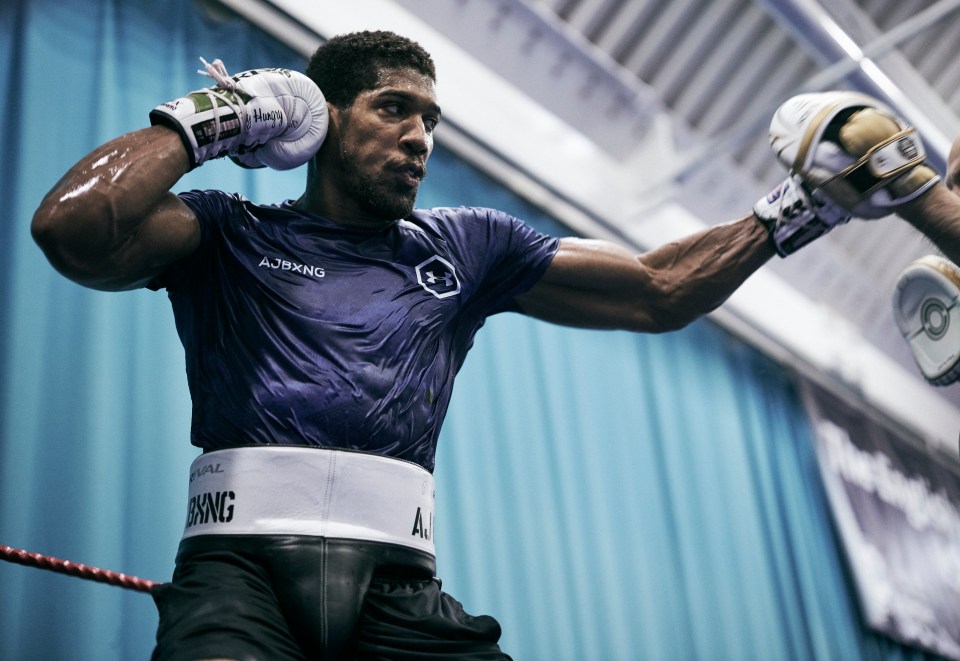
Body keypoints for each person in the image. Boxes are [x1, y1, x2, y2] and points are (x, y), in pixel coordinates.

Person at [29, 30, 960, 661]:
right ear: (319, 118)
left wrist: (798, 208)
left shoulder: (464, 245)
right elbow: (73, 228)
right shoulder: (227, 231)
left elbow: (657, 292)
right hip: (234, 577)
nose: (420, 136)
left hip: (403, 588)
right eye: (394, 109)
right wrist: (220, 114)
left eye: (430, 119)